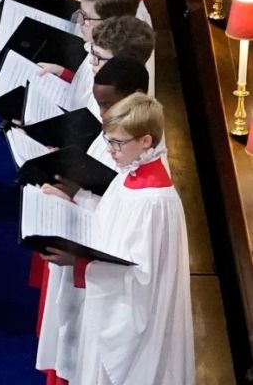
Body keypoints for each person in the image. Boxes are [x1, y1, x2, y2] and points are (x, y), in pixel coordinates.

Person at [45, 93, 194, 385]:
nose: (110, 150)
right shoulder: (130, 174)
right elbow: (110, 224)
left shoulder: (153, 202)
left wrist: (79, 263)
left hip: (137, 327)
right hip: (105, 299)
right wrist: (76, 201)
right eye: (108, 140)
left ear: (146, 141)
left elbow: (140, 279)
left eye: (117, 143)